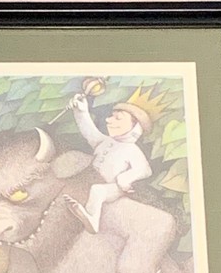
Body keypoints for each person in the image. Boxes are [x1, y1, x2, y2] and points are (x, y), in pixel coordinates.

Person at [65, 92, 154, 234]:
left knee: (97, 190)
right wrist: (81, 111)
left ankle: (92, 220)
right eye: (112, 116)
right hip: (90, 180)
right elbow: (89, 131)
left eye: (118, 118)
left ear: (135, 127)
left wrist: (125, 178)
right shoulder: (105, 141)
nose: (108, 120)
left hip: (113, 188)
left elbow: (145, 170)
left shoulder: (132, 150)